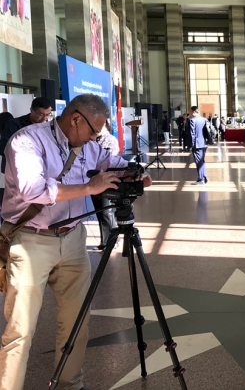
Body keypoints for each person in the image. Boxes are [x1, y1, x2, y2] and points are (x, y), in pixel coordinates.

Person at [0, 94, 152, 390]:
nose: (96, 137)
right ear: (75, 119)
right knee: (20, 329)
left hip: (72, 239)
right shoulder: (27, 141)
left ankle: (70, 384)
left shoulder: (89, 147)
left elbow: (113, 162)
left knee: (76, 323)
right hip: (31, 239)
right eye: (94, 130)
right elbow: (33, 190)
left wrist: (137, 174)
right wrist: (88, 186)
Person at [0, 97, 53, 173]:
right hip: (15, 170)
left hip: (40, 170)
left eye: (48, 115)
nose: (44, 119)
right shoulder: (14, 125)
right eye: (41, 115)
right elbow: (2, 147)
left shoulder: (48, 127)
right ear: (31, 110)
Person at [91, 120, 121, 251]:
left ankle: (112, 240)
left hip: (107, 180)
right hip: (95, 180)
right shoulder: (94, 141)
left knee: (107, 212)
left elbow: (110, 162)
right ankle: (106, 241)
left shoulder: (110, 140)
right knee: (100, 212)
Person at [189, 106, 209, 185]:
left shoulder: (192, 120)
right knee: (202, 161)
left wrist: (192, 144)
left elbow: (192, 134)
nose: (189, 113)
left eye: (190, 111)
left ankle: (201, 179)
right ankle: (204, 177)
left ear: (193, 112)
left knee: (199, 162)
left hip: (197, 144)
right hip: (204, 143)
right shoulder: (204, 119)